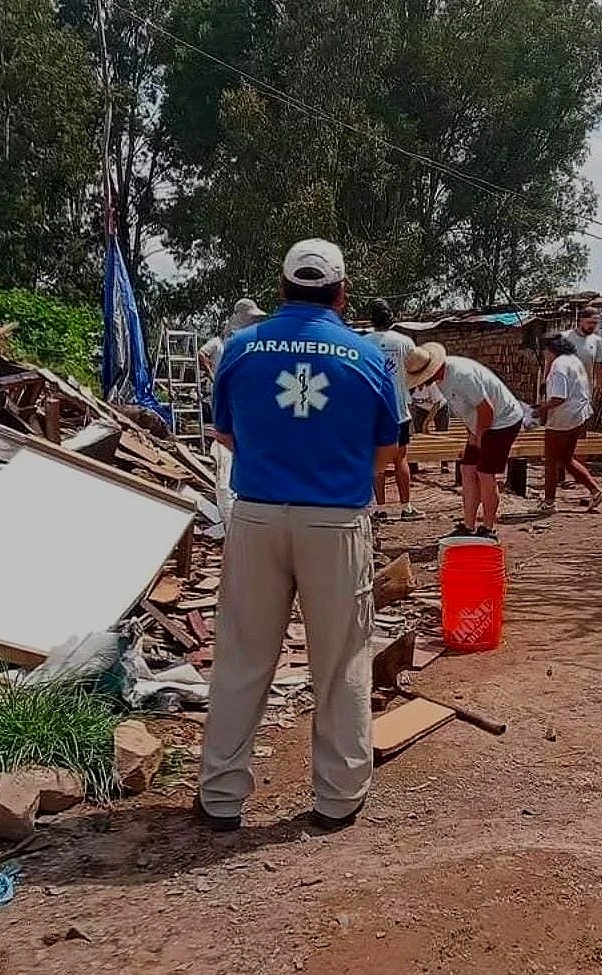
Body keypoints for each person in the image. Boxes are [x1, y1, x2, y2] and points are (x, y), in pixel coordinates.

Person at [198, 240, 400, 833]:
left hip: (257, 516)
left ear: (282, 288)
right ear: (342, 293)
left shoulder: (239, 349)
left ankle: (220, 797)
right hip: (334, 524)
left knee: (241, 658)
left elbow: (227, 434)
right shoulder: (366, 357)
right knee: (339, 662)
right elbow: (387, 450)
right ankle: (338, 797)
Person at [405, 342, 523, 540]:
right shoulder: (441, 380)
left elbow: (487, 410)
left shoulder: (462, 376)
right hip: (481, 423)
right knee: (467, 469)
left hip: (502, 421)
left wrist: (478, 438)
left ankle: (488, 529)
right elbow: (465, 410)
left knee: (485, 473)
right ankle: (468, 526)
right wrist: (472, 434)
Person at [201, 298, 267, 518]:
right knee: (227, 465)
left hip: (247, 407)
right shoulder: (227, 343)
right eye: (251, 318)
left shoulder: (254, 342)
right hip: (233, 403)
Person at [535, 335, 602, 514]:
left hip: (563, 418)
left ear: (550, 350)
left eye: (544, 351)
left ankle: (549, 502)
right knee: (566, 459)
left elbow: (559, 397)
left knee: (551, 461)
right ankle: (596, 490)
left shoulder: (558, 366)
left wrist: (539, 408)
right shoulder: (574, 361)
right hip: (579, 415)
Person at [365, 299, 423, 521]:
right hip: (398, 410)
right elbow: (416, 371)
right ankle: (406, 507)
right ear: (391, 318)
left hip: (374, 412)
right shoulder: (404, 342)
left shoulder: (365, 343)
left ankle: (379, 509)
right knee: (401, 459)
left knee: (377, 462)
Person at [563, 306, 602, 396]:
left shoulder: (598, 342)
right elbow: (551, 363)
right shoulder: (565, 338)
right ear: (581, 320)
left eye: (595, 323)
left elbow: (600, 369)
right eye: (590, 322)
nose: (592, 326)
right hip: (562, 392)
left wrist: (601, 390)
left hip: (584, 394)